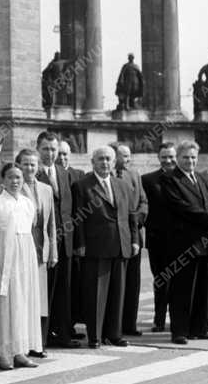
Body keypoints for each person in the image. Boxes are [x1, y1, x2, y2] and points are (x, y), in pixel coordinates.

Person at [71, 146, 139, 349]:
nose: (105, 163)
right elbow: (77, 219)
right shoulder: (82, 186)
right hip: (95, 247)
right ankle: (95, 336)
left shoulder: (122, 185)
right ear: (93, 162)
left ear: (114, 161)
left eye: (109, 159)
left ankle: (114, 334)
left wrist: (134, 240)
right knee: (96, 294)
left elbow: (131, 215)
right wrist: (80, 244)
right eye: (100, 159)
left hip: (121, 245)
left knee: (118, 294)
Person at [159, 141, 208, 345]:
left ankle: (200, 328)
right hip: (184, 243)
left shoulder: (201, 178)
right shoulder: (169, 179)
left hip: (207, 241)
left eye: (193, 157)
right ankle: (180, 331)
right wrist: (207, 218)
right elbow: (180, 207)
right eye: (186, 157)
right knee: (183, 289)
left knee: (204, 288)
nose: (190, 161)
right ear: (178, 158)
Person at [0, 164, 42, 369]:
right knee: (5, 304)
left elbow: (29, 233)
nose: (15, 181)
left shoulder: (28, 203)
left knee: (23, 302)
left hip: (24, 258)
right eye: (10, 177)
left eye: (18, 177)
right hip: (5, 258)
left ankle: (21, 350)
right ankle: (3, 352)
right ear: (3, 180)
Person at [37, 132, 79, 349]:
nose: (50, 153)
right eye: (46, 149)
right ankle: (41, 337)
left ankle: (62, 334)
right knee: (44, 291)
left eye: (53, 149)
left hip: (66, 242)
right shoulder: (33, 174)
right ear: (38, 149)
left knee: (64, 290)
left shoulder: (63, 173)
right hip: (44, 244)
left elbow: (70, 209)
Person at [17, 148, 56, 356]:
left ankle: (38, 344)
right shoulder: (14, 187)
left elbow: (51, 224)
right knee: (23, 299)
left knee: (39, 301)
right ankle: (22, 345)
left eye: (33, 164)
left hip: (42, 250)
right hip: (22, 251)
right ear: (19, 165)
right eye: (25, 164)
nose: (29, 168)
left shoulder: (46, 189)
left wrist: (53, 252)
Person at [113, 144, 148, 337]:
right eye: (124, 156)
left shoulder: (134, 175)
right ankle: (114, 324)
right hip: (114, 236)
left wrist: (138, 220)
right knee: (118, 283)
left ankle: (130, 324)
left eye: (129, 156)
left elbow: (143, 201)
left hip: (134, 233)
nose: (127, 159)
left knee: (133, 283)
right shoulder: (108, 174)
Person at [142, 142, 177, 332]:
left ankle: (179, 321)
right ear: (159, 157)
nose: (168, 160)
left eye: (171, 156)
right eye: (164, 156)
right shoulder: (147, 180)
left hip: (181, 240)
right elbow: (143, 207)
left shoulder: (184, 177)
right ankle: (159, 320)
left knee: (180, 282)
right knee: (161, 280)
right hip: (157, 240)